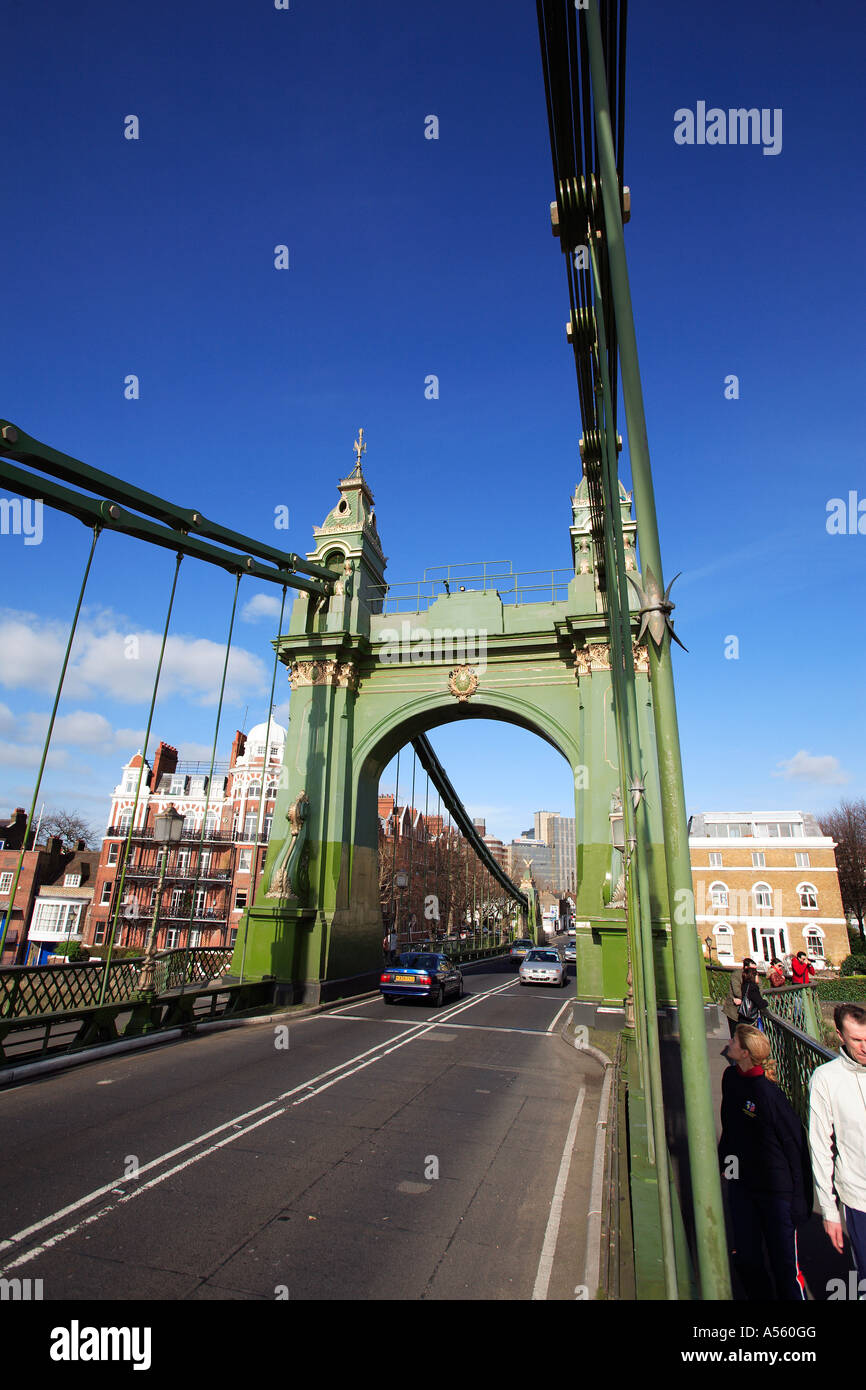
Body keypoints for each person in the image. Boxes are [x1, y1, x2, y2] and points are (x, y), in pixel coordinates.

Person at [719, 1024, 813, 1300]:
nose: (730, 1043)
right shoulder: (730, 1078)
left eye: (735, 1041)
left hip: (776, 1192)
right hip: (742, 1185)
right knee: (746, 1258)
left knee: (784, 1265)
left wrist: (800, 1199)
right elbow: (731, 1126)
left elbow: (795, 1145)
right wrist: (728, 1164)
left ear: (745, 1053)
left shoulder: (770, 1095)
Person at [808, 1003, 866, 1284]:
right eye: (857, 1040)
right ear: (841, 1036)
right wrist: (829, 1211)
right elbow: (820, 1147)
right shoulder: (825, 1079)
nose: (865, 1046)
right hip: (859, 1200)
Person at [722, 957, 757, 1038]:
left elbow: (760, 990)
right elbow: (737, 992)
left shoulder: (755, 976)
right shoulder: (736, 975)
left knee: (746, 1037)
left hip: (748, 1013)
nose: (755, 971)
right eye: (752, 969)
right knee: (735, 1035)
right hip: (734, 1011)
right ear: (746, 968)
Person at [738, 965, 769, 1031]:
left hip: (742, 1017)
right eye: (757, 975)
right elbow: (760, 1003)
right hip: (749, 1018)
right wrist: (766, 1002)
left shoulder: (745, 984)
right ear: (753, 976)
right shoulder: (753, 987)